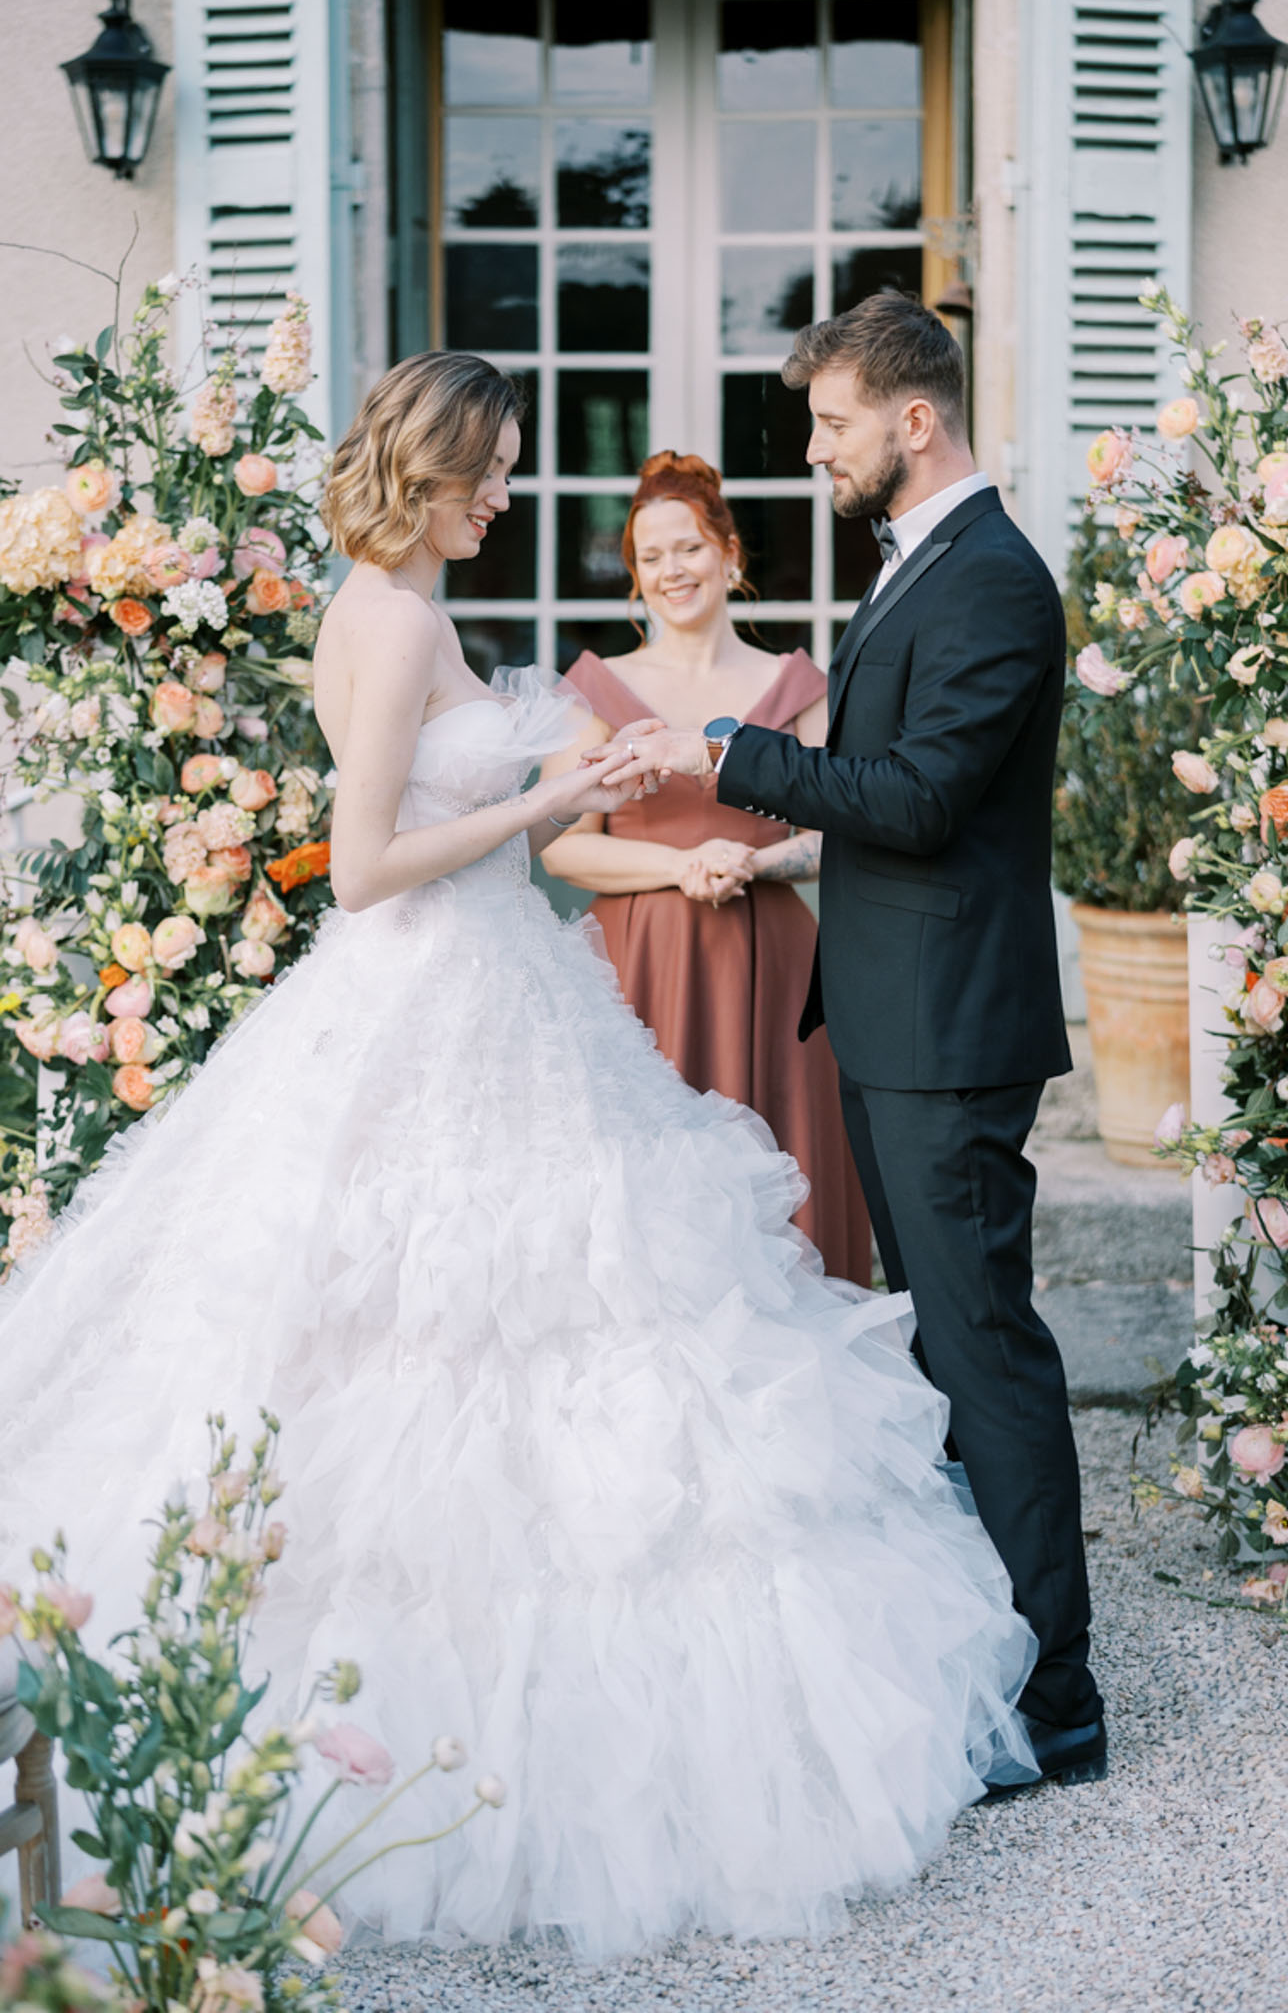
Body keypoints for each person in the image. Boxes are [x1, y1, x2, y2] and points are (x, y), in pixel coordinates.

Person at [0, 348, 1038, 1962]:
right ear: (430, 468)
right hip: (436, 989)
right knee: (452, 1330)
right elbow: (362, 869)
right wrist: (542, 801)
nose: (506, 495)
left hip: (482, 994)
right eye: (489, 471)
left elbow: (441, 791)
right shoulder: (396, 616)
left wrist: (573, 778)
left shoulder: (388, 605)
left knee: (512, 1327)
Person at [592, 291, 1107, 1794]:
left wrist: (730, 757)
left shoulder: (993, 582)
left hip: (949, 1032)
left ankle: (1057, 1698)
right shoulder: (919, 569)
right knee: (938, 1351)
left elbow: (919, 799)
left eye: (829, 422)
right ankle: (987, 1655)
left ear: (913, 418)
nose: (812, 448)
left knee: (982, 1348)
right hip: (894, 1021)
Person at [544, 450, 870, 1284]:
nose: (670, 571)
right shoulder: (594, 691)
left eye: (686, 548)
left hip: (777, 973)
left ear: (729, 555)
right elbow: (564, 843)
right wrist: (679, 862)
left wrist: (753, 865)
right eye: (648, 557)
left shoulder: (795, 686)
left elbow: (843, 828)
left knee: (784, 1189)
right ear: (632, 578)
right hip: (636, 974)